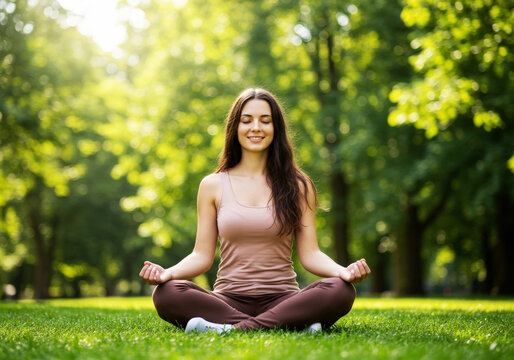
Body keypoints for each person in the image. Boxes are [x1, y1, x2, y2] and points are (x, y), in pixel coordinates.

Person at [139, 88, 371, 334]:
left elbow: (311, 254)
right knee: (167, 293)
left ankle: (230, 329)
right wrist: (168, 273)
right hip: (227, 300)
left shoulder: (299, 185)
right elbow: (201, 256)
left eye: (265, 121)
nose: (256, 127)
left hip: (284, 299)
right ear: (235, 128)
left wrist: (343, 272)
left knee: (341, 290)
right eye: (246, 120)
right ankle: (290, 325)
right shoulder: (212, 185)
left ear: (276, 128)